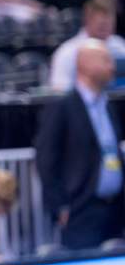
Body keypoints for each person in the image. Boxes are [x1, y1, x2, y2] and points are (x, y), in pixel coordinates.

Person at [35, 39, 125, 250]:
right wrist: (60, 206)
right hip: (80, 209)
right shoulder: (62, 107)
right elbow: (46, 160)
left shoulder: (108, 106)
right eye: (106, 60)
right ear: (85, 64)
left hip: (114, 209)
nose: (112, 66)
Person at [49, 0, 125, 92]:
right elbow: (59, 91)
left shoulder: (120, 46)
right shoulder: (67, 52)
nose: (106, 29)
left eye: (109, 24)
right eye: (101, 25)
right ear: (87, 20)